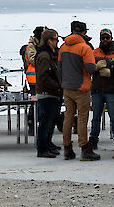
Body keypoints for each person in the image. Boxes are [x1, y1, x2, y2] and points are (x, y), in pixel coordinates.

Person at [59, 21, 100, 161]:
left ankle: (67, 148)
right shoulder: (85, 48)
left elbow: (59, 67)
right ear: (84, 32)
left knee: (68, 118)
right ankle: (84, 148)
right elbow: (90, 68)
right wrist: (97, 67)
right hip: (82, 88)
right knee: (82, 119)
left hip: (67, 87)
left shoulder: (63, 47)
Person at [32, 28, 64, 158]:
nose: (57, 42)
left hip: (53, 93)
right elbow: (43, 77)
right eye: (55, 39)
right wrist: (58, 86)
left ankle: (47, 144)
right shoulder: (44, 56)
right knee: (45, 122)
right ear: (49, 40)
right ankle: (42, 148)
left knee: (51, 121)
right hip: (47, 94)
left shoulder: (51, 54)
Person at [89, 29, 114, 152]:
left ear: (111, 38)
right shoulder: (94, 53)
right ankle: (93, 140)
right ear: (100, 39)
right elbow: (88, 68)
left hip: (111, 90)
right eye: (103, 38)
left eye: (107, 38)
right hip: (97, 89)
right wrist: (95, 68)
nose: (105, 40)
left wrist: (111, 71)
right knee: (95, 117)